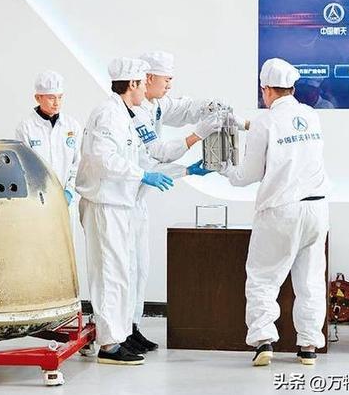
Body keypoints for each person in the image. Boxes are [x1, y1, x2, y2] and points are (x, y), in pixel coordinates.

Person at [220, 58, 329, 366]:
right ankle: (308, 345)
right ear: (292, 88)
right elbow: (286, 136)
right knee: (310, 280)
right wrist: (248, 125)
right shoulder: (310, 115)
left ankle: (264, 341)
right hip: (317, 209)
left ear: (265, 89)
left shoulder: (265, 122)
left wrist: (223, 168)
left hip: (281, 210)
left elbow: (248, 174)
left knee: (263, 277)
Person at [76, 57, 174, 365]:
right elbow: (103, 159)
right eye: (143, 83)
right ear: (132, 84)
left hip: (119, 204)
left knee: (120, 273)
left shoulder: (125, 114)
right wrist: (142, 175)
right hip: (105, 204)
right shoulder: (109, 114)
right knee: (109, 273)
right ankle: (108, 345)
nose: (147, 88)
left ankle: (117, 337)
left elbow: (139, 156)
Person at [125, 51, 225, 353]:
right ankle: (118, 333)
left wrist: (209, 106)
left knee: (140, 268)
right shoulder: (133, 112)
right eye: (166, 79)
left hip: (136, 200)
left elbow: (183, 108)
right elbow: (158, 155)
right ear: (148, 78)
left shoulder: (154, 105)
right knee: (123, 271)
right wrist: (196, 138)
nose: (169, 85)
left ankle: (132, 327)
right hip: (119, 202)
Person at [15, 71, 81, 206]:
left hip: (67, 201)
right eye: (51, 98)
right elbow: (23, 168)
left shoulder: (72, 126)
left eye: (60, 97)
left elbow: (78, 164)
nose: (57, 103)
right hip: (38, 200)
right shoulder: (26, 128)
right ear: (38, 98)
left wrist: (69, 191)